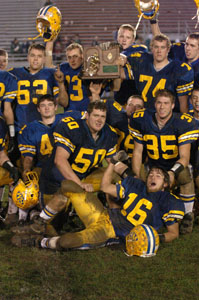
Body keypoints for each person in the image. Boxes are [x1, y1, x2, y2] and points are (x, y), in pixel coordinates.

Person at [11, 165, 185, 250]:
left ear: (165, 184)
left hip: (111, 232)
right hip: (103, 214)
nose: (152, 177)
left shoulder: (169, 200)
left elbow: (173, 233)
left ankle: (38, 242)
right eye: (151, 174)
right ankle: (39, 223)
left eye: (158, 176)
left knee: (65, 241)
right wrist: (111, 164)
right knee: (68, 185)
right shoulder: (136, 185)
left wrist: (155, 239)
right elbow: (105, 187)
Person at [130, 88, 198, 233]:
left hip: (174, 165)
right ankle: (144, 210)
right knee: (135, 178)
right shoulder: (141, 119)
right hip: (153, 166)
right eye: (159, 103)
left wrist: (172, 173)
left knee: (185, 174)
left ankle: (187, 215)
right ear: (154, 104)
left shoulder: (183, 123)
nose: (162, 107)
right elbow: (138, 151)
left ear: (173, 105)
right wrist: (136, 174)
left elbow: (184, 157)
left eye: (166, 103)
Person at [122, 34, 194, 113]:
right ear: (151, 48)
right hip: (143, 114)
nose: (159, 51)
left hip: (167, 117)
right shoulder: (142, 61)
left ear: (168, 49)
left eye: (162, 47)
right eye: (156, 47)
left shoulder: (179, 69)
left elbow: (183, 104)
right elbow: (122, 74)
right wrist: (121, 59)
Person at [9, 42, 68, 134]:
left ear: (44, 59)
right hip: (21, 128)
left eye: (39, 56)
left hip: (45, 128)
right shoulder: (14, 73)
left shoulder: (51, 74)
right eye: (33, 55)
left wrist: (60, 84)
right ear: (28, 57)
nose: (35, 59)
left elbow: (64, 103)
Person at [114, 24, 148, 105]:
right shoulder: (113, 52)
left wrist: (123, 55)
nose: (124, 40)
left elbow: (141, 49)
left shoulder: (139, 49)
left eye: (128, 37)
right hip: (119, 96)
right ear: (117, 37)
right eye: (121, 36)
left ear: (133, 40)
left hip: (137, 95)